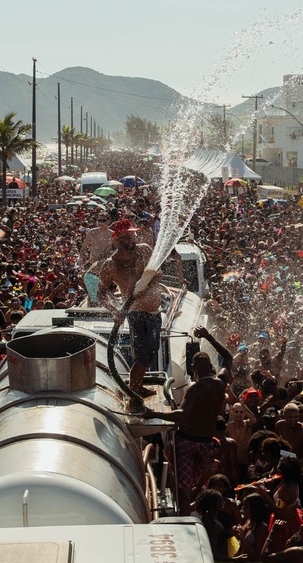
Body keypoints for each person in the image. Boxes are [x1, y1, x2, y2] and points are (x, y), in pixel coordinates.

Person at [142, 349, 226, 512]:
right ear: (210, 366)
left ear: (192, 367)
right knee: (204, 479)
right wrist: (209, 337)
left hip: (187, 441)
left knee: (184, 486)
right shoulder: (220, 385)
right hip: (206, 442)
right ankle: (206, 511)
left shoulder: (195, 388)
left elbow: (181, 415)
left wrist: (152, 413)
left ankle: (186, 515)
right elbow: (228, 358)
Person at [97, 219, 163, 397]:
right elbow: (101, 293)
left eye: (133, 235)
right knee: (141, 355)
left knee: (150, 352)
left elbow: (157, 273)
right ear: (117, 240)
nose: (133, 240)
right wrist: (115, 311)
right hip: (135, 312)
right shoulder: (110, 265)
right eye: (127, 237)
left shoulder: (144, 250)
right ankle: (134, 392)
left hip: (155, 311)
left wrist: (146, 286)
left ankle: (137, 387)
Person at [80, 213, 114, 304]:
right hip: (92, 264)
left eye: (103, 220)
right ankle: (90, 313)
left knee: (103, 292)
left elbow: (116, 250)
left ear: (108, 221)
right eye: (99, 220)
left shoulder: (112, 234)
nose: (100, 223)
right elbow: (83, 249)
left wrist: (108, 254)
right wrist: (83, 261)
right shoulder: (92, 232)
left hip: (105, 266)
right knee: (91, 294)